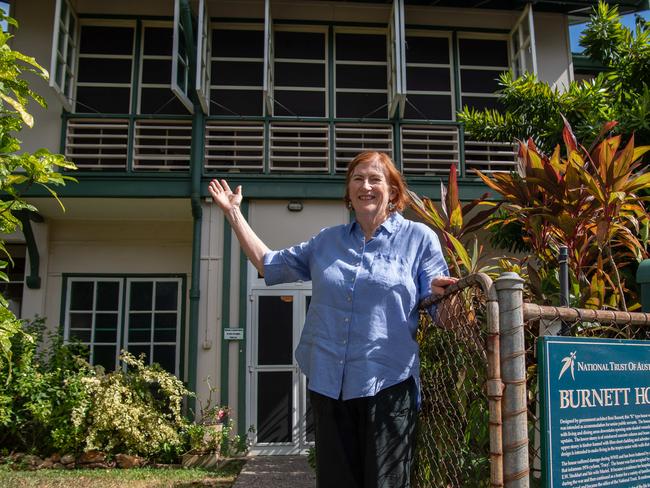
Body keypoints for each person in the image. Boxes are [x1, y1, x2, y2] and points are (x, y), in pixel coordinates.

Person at [209, 151, 456, 488]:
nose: (365, 186)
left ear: (393, 192)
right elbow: (269, 265)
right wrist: (234, 213)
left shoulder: (418, 239)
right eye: (357, 178)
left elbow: (439, 309)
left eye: (374, 179)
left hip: (387, 385)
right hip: (330, 386)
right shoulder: (327, 241)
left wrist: (450, 299)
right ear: (348, 191)